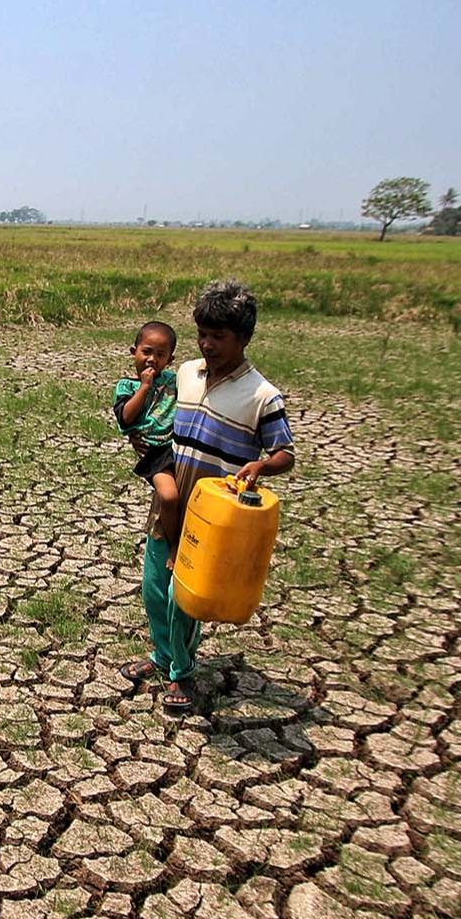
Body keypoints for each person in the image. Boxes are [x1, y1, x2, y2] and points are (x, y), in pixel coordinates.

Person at [120, 280, 295, 712]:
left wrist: (262, 466)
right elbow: (151, 415)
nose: (207, 344)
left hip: (214, 517)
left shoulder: (262, 396)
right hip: (171, 501)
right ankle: (161, 655)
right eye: (203, 334)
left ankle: (181, 671)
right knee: (155, 589)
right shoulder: (185, 374)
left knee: (188, 598)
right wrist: (143, 439)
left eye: (219, 337)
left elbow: (285, 453)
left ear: (244, 338)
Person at [112, 321, 181, 567]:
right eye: (147, 352)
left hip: (180, 447)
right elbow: (126, 417)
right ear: (134, 352)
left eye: (161, 355)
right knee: (170, 497)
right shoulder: (126, 386)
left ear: (170, 360)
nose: (152, 359)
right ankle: (174, 545)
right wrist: (144, 387)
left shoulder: (174, 380)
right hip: (156, 453)